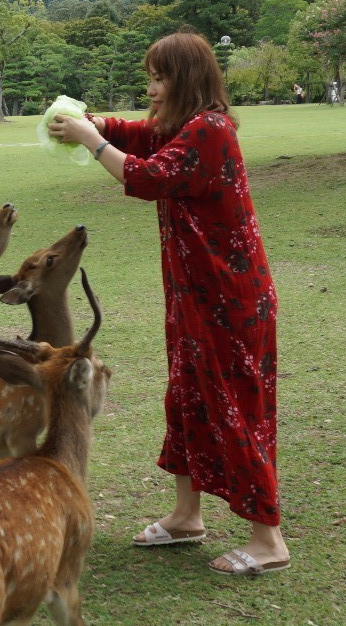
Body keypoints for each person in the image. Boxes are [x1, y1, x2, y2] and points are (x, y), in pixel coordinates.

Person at [49, 31, 287, 575]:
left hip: (231, 300)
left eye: (159, 79)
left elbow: (149, 176)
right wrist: (99, 125)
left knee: (234, 409)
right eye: (149, 78)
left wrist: (92, 140)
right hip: (194, 298)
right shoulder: (183, 127)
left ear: (186, 80)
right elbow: (142, 136)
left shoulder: (212, 130)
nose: (152, 90)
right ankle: (187, 516)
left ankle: (268, 540)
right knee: (187, 401)